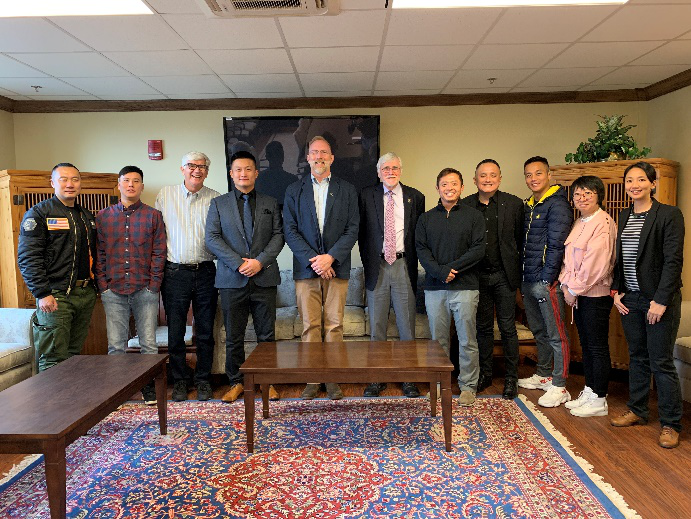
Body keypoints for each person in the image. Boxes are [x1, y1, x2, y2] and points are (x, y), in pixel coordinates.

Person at [610, 161, 684, 449]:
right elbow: (622, 258)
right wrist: (617, 291)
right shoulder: (624, 215)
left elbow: (673, 262)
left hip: (658, 300)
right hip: (631, 299)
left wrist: (661, 301)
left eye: (641, 179)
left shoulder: (669, 215)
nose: (635, 185)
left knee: (661, 361)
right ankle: (638, 410)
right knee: (637, 357)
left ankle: (671, 423)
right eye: (630, 180)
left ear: (653, 184)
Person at [283, 135, 359, 400]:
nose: (319, 157)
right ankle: (313, 379)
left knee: (335, 326)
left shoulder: (347, 190)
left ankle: (333, 378)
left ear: (332, 158)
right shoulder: (294, 190)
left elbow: (352, 228)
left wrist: (331, 258)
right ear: (307, 158)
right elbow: (290, 230)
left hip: (337, 268)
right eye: (314, 152)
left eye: (324, 152)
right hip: (307, 270)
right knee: (310, 326)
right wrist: (316, 261)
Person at [205, 151, 285, 403]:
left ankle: (267, 382)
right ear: (231, 174)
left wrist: (259, 262)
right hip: (232, 279)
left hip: (264, 277)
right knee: (234, 337)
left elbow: (279, 236)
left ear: (256, 173)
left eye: (248, 169)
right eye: (238, 169)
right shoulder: (219, 204)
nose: (243, 174)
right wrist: (239, 263)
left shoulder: (270, 202)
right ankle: (235, 382)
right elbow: (212, 238)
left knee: (266, 337)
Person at [95, 166, 166, 405]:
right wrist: (103, 286)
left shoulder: (153, 216)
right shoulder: (103, 217)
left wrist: (153, 285)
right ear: (119, 185)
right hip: (113, 290)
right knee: (116, 345)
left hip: (144, 289)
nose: (131, 185)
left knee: (149, 344)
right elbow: (99, 254)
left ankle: (149, 388)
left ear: (142, 186)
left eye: (136, 181)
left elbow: (159, 253)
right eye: (126, 181)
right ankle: (118, 391)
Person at [17, 163, 98, 372]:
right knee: (53, 357)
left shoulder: (85, 216)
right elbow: (28, 257)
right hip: (55, 295)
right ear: (52, 183)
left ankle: (71, 395)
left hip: (84, 293)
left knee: (73, 355)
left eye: (75, 179)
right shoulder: (39, 213)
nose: (70, 184)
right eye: (64, 179)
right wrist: (42, 293)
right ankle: (51, 396)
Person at [416, 168, 485, 407]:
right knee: (438, 341)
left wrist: (452, 269)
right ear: (437, 188)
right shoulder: (426, 219)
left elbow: (478, 249)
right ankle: (437, 384)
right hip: (435, 289)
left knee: (467, 340)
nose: (449, 188)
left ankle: (468, 386)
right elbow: (422, 250)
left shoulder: (474, 216)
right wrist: (440, 272)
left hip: (466, 287)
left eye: (454, 184)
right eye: (444, 184)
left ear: (462, 187)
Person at [359, 152, 425, 398]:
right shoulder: (366, 195)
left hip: (403, 265)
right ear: (378, 172)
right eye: (385, 168)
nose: (390, 171)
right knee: (377, 326)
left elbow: (419, 234)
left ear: (401, 170)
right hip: (376, 266)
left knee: (406, 325)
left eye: (394, 167)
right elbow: (360, 233)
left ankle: (409, 379)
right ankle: (377, 378)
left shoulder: (415, 197)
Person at [156, 152, 221, 402]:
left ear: (207, 171)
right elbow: (156, 234)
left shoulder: (215, 198)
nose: (197, 170)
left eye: (202, 166)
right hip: (175, 273)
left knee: (205, 330)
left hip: (206, 272)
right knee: (176, 331)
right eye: (192, 166)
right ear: (182, 169)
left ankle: (203, 379)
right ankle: (180, 380)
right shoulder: (166, 195)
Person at [461, 159, 524, 400]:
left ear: (500, 178)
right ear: (475, 179)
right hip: (477, 276)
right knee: (483, 328)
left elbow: (520, 241)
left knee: (507, 327)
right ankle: (485, 374)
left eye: (493, 175)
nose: (488, 179)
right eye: (483, 175)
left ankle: (511, 378)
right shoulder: (465, 205)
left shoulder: (514, 204)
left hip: (504, 276)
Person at [517, 156, 573, 408]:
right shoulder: (529, 205)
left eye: (538, 173)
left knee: (556, 334)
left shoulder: (558, 205)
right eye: (528, 175)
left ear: (549, 175)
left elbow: (557, 245)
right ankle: (543, 374)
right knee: (539, 331)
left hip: (545, 281)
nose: (533, 179)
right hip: (528, 279)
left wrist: (547, 278)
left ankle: (560, 385)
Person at [558, 175, 616, 417]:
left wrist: (573, 290)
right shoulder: (579, 221)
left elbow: (596, 264)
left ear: (598, 196)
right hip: (577, 294)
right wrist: (565, 286)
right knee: (587, 345)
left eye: (588, 193)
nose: (582, 198)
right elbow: (567, 261)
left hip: (595, 295)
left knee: (596, 346)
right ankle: (590, 390)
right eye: (578, 194)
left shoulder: (603, 222)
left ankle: (599, 399)